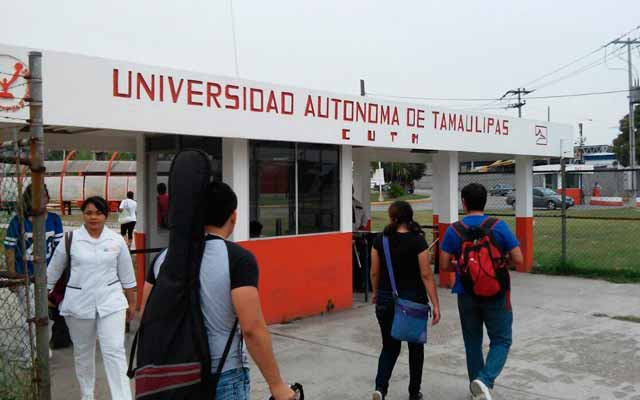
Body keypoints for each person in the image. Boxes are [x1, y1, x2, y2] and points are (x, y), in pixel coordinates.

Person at [143, 182, 295, 400]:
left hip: (172, 376)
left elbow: (146, 315)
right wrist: (277, 385)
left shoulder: (162, 258)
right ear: (233, 217)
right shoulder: (238, 259)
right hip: (223, 375)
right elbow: (252, 329)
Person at [47, 196, 137, 400]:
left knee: (114, 351)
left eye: (98, 213)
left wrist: (131, 303)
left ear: (106, 215)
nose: (93, 217)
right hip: (78, 304)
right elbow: (52, 272)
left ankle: (122, 397)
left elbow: (127, 275)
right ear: (83, 215)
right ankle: (87, 395)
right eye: (88, 213)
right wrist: (44, 295)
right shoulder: (70, 239)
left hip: (111, 303)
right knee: (83, 353)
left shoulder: (116, 241)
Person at [439, 183, 523, 400]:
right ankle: (485, 381)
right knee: (502, 340)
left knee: (472, 342)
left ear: (463, 202)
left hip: (466, 293)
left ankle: (477, 389)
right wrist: (499, 264)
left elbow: (444, 265)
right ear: (485, 201)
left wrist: (463, 267)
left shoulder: (454, 230)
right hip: (497, 292)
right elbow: (519, 259)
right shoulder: (498, 226)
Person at [370, 200, 441, 400]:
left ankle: (380, 388)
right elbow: (426, 274)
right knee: (416, 348)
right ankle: (414, 392)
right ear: (410, 218)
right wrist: (435, 304)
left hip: (386, 298)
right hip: (413, 301)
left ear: (392, 218)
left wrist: (376, 292)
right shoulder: (418, 241)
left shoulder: (380, 240)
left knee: (389, 346)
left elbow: (374, 272)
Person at [4, 184, 65, 355]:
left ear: (48, 197)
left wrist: (59, 277)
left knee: (46, 313)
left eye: (43, 196)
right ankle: (32, 350)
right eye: (36, 197)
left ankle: (43, 347)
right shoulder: (19, 221)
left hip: (48, 276)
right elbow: (9, 249)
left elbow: (59, 251)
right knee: (30, 313)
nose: (40, 200)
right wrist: (13, 276)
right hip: (26, 275)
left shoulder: (54, 219)